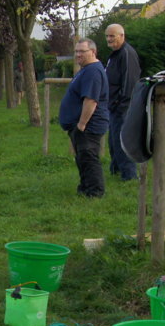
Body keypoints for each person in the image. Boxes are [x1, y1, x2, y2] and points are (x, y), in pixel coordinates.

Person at [59, 39, 109, 198]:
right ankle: (85, 188)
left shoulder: (93, 71)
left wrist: (81, 125)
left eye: (82, 51)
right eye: (76, 51)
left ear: (93, 52)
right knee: (82, 158)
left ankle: (95, 192)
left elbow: (91, 100)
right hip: (81, 125)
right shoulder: (86, 69)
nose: (78, 55)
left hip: (88, 126)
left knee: (89, 158)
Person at [104, 23, 141, 181]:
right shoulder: (115, 54)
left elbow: (129, 83)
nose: (109, 39)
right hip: (113, 107)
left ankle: (129, 176)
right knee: (113, 143)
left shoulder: (127, 53)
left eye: (112, 36)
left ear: (122, 35)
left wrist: (120, 104)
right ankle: (116, 172)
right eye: (107, 36)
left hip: (123, 108)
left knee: (123, 143)